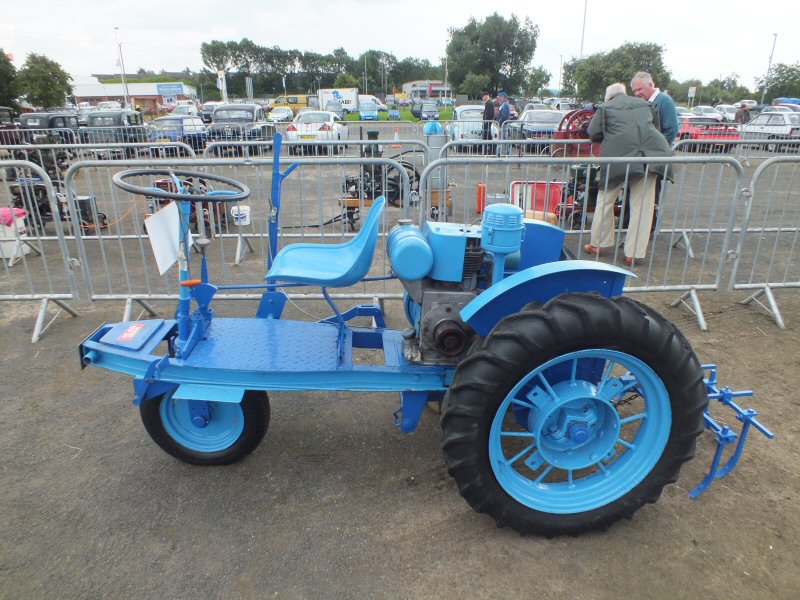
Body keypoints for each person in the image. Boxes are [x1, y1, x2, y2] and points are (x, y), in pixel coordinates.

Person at [583, 83, 672, 265]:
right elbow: (655, 128)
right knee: (643, 205)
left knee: (605, 200)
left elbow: (593, 132)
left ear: (608, 97)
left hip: (618, 158)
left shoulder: (605, 107)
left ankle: (598, 244)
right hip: (650, 156)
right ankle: (633, 253)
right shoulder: (646, 105)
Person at [631, 72, 678, 146]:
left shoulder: (665, 101)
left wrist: (656, 147)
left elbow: (671, 130)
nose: (637, 93)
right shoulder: (642, 103)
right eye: (634, 91)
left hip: (659, 150)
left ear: (650, 85)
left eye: (639, 89)